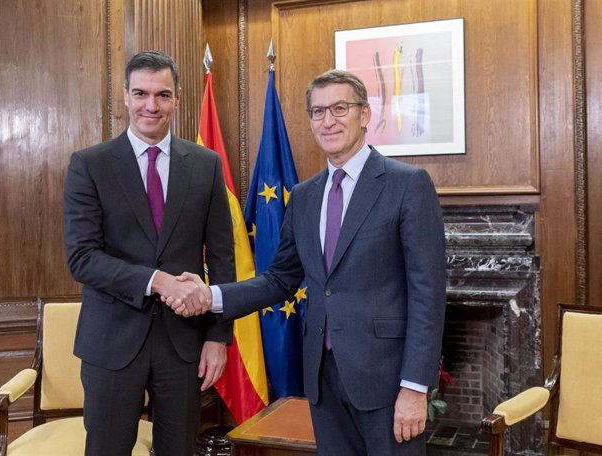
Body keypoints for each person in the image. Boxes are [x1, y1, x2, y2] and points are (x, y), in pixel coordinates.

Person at [166, 69, 446, 455]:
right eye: (317, 112)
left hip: (386, 381)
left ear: (364, 114)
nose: (328, 120)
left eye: (339, 108)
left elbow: (428, 294)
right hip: (322, 378)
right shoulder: (303, 196)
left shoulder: (407, 184)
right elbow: (279, 279)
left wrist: (415, 387)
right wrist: (211, 295)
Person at [62, 50, 235, 456]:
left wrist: (217, 338)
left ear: (177, 99)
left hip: (184, 345)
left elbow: (223, 257)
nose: (151, 105)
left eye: (163, 94)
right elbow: (82, 257)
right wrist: (155, 281)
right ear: (125, 95)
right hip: (111, 341)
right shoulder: (90, 165)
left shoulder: (206, 165)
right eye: (140, 93)